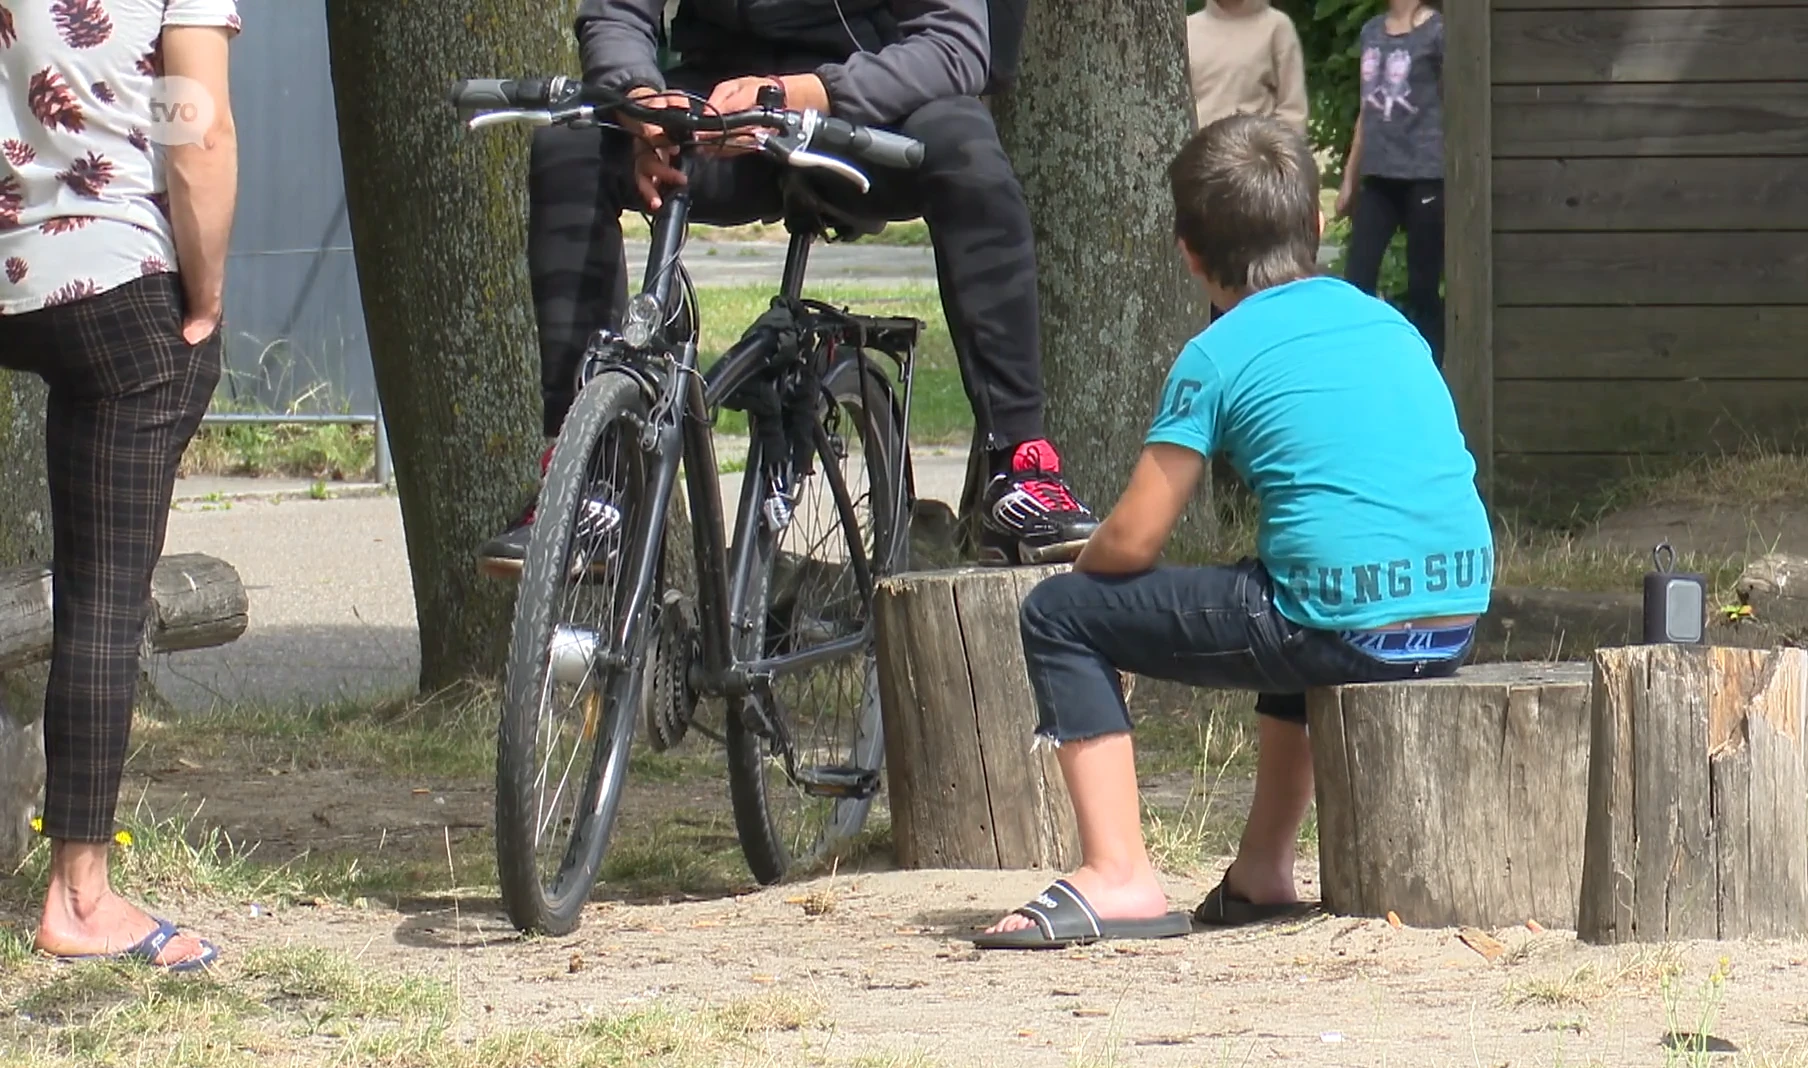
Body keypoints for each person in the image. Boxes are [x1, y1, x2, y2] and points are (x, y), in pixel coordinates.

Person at [974, 114, 1492, 948]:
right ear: (1317, 225)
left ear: (1189, 253)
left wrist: (1085, 551)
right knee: (1288, 580)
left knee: (1059, 616)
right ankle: (1263, 870)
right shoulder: (1386, 321)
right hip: (1452, 618)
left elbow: (1137, 539)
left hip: (1337, 624)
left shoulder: (1218, 351)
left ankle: (1120, 875)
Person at [476, 0, 1100, 575]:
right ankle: (588, 488)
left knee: (969, 155)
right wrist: (641, 103)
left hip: (866, 101)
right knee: (570, 147)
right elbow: (616, 13)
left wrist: (798, 95)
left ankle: (1017, 465)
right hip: (717, 108)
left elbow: (956, 44)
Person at [1, 0, 241, 970]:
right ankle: (81, 898)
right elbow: (199, 128)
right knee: (104, 601)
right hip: (109, 274)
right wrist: (209, 289)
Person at [1335, 0, 1443, 367]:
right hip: (1379, 177)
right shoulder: (1372, 32)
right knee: (1356, 281)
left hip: (1425, 175)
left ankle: (1429, 370)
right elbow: (1367, 110)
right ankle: (1358, 365)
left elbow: (1456, 101)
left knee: (1422, 287)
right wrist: (1350, 178)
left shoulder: (1437, 32)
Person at [1186, 0, 1309, 135]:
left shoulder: (1277, 26)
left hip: (1251, 150)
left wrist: (1280, 152)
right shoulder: (1187, 28)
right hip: (1195, 150)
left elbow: (1293, 112)